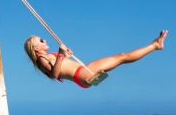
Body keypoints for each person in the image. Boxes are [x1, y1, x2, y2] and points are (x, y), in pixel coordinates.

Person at [23, 31, 168, 88]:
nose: (44, 40)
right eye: (41, 40)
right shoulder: (41, 59)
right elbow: (54, 75)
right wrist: (61, 55)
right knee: (122, 57)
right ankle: (155, 45)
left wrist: (65, 55)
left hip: (83, 71)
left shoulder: (49, 56)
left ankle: (155, 45)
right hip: (83, 75)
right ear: (36, 48)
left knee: (121, 57)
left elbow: (61, 66)